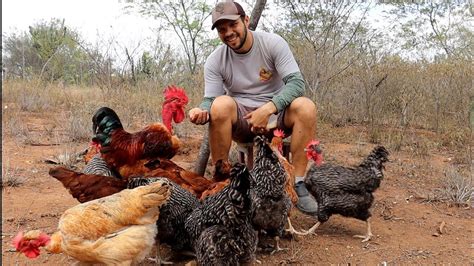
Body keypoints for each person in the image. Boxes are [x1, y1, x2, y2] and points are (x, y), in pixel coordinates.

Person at [188, 1, 318, 214]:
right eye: (222, 29)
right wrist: (200, 110)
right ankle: (221, 181)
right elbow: (210, 99)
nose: (228, 32)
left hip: (277, 116)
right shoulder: (215, 60)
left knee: (306, 106)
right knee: (220, 105)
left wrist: (268, 109)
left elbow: (296, 83)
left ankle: (298, 183)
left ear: (246, 21)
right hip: (243, 119)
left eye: (233, 25)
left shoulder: (272, 43)